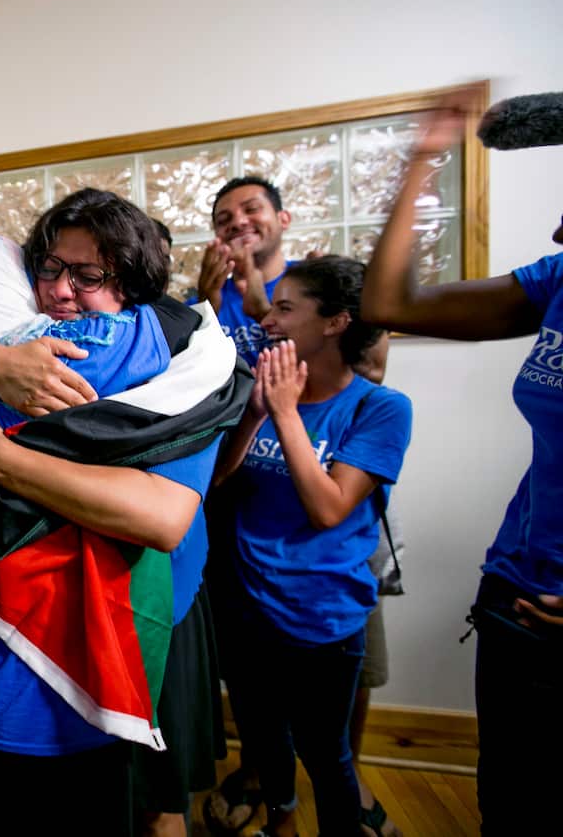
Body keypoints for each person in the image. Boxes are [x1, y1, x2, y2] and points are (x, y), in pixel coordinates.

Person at [0, 188, 248, 836]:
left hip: (68, 676)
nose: (60, 290)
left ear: (132, 282)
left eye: (88, 274)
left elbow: (161, 517)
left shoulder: (177, 366)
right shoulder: (6, 338)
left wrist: (0, 458)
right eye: (49, 267)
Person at [360, 90, 563, 836]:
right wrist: (422, 162)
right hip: (515, 594)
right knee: (508, 806)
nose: (558, 225)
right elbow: (390, 302)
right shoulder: (557, 283)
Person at [211, 257, 412, 837]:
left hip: (322, 619)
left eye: (285, 307)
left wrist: (285, 412)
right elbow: (220, 481)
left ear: (336, 322)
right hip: (247, 609)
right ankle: (281, 825)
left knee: (327, 757)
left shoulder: (379, 408)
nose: (267, 319)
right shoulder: (262, 392)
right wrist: (253, 416)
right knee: (267, 747)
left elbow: (328, 508)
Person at [193, 177, 293, 366]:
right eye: (224, 220)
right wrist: (205, 313)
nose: (238, 222)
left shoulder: (315, 284)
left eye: (252, 209)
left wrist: (263, 313)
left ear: (283, 219)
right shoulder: (203, 303)